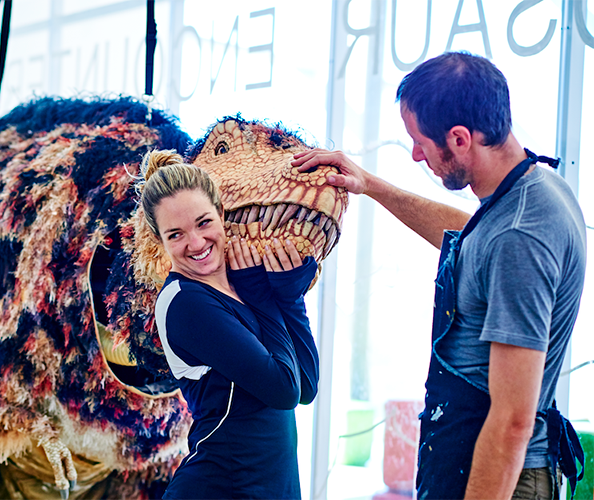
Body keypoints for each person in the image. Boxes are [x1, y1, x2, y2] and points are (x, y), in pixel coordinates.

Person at [292, 51, 586, 500]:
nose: (415, 154)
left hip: (498, 476)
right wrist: (369, 185)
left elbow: (512, 421)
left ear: (460, 139)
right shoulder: (527, 194)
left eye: (420, 142)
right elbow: (471, 239)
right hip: (469, 460)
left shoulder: (520, 235)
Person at [136, 149, 319, 499]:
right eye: (175, 234)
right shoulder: (185, 303)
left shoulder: (242, 282)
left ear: (221, 213)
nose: (195, 243)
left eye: (203, 222)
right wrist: (264, 295)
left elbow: (306, 386)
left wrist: (290, 298)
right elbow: (283, 390)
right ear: (160, 240)